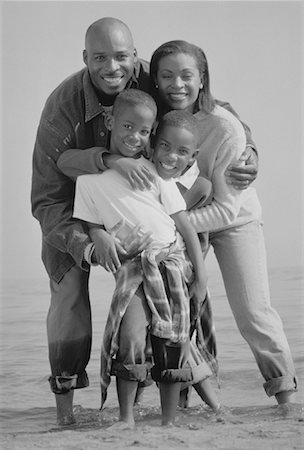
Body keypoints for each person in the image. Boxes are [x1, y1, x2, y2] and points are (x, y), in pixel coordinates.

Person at [31, 16, 258, 426]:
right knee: (68, 298)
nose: (112, 67)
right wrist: (88, 241)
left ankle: (180, 407)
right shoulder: (61, 107)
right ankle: (64, 415)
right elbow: (47, 197)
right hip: (77, 207)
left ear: (135, 56)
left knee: (172, 306)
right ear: (85, 58)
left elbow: (205, 104)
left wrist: (249, 146)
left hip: (151, 210)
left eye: (121, 56)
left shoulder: (151, 78)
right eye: (100, 58)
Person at [149, 39, 297, 408]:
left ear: (203, 79)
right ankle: (181, 405)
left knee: (253, 312)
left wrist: (171, 223)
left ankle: (287, 402)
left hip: (232, 220)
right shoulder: (153, 120)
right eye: (166, 76)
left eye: (187, 76)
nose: (177, 85)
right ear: (154, 80)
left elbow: (225, 211)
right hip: (181, 219)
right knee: (179, 312)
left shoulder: (226, 126)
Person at [72, 89, 219, 427]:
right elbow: (92, 223)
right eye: (127, 127)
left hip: (171, 264)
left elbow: (185, 227)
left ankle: (169, 421)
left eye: (143, 132)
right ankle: (126, 417)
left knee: (172, 340)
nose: (134, 137)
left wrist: (202, 275)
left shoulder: (153, 172)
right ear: (110, 121)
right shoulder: (88, 182)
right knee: (131, 335)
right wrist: (98, 234)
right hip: (135, 269)